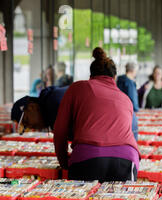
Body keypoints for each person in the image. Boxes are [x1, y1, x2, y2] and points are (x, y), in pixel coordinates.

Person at [53, 47, 140, 183]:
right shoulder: (125, 99)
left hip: (87, 157)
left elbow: (59, 130)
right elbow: (134, 133)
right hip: (126, 159)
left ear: (91, 76)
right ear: (114, 77)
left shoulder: (77, 88)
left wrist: (64, 163)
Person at [117, 62, 139, 141]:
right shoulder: (129, 83)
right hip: (129, 113)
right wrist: (136, 110)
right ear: (133, 70)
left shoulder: (118, 79)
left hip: (118, 113)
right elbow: (133, 101)